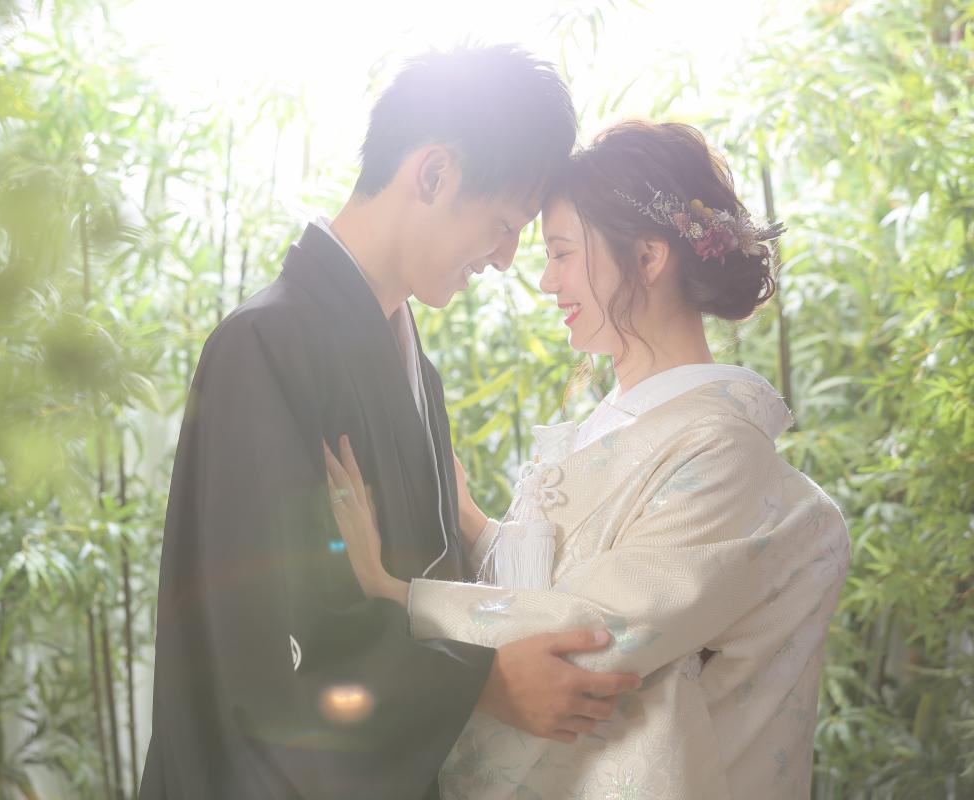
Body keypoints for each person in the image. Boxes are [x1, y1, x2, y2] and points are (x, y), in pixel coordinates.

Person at [139, 46, 641, 800]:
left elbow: (414, 588)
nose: (507, 259)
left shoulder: (414, 369)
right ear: (433, 173)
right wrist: (483, 684)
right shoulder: (265, 345)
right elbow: (270, 645)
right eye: (503, 224)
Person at [325, 120, 851, 799]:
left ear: (650, 257)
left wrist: (396, 594)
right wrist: (472, 521)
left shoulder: (722, 449)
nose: (548, 281)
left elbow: (596, 634)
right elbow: (558, 586)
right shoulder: (621, 420)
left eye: (564, 254)